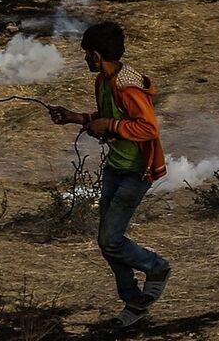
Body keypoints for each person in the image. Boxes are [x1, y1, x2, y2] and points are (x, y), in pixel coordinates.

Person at [49, 21, 172, 327]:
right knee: (107, 240)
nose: (85, 60)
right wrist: (75, 118)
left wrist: (110, 127)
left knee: (110, 240)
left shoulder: (127, 86)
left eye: (85, 54)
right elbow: (108, 118)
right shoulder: (104, 82)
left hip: (135, 171)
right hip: (115, 167)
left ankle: (156, 268)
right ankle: (134, 303)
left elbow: (148, 128)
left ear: (95, 54)